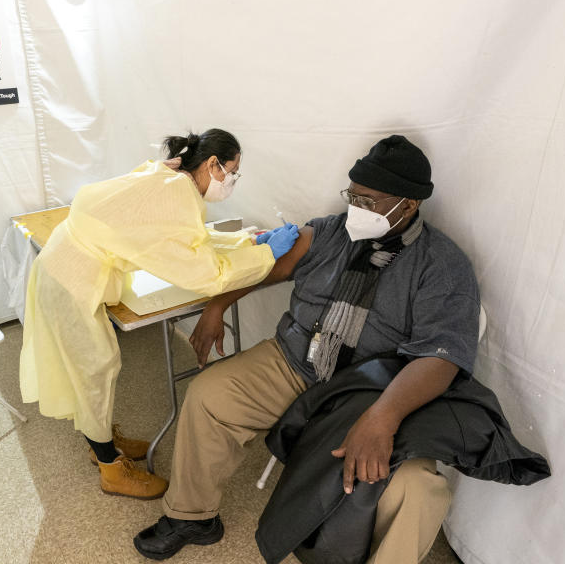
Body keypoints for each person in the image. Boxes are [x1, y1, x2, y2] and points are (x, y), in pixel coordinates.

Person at [135, 134, 481, 561]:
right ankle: (191, 517)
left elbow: (440, 357)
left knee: (419, 488)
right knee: (210, 395)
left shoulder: (442, 266)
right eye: (353, 196)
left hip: (370, 390)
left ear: (407, 205)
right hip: (295, 362)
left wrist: (382, 417)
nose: (356, 208)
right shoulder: (332, 231)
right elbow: (269, 269)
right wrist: (216, 306)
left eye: (369, 202)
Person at [19, 128, 301, 500]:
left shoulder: (169, 178)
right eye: (232, 172)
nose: (232, 181)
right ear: (213, 165)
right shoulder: (177, 197)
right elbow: (208, 274)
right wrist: (266, 255)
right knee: (94, 369)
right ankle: (109, 468)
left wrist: (246, 241)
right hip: (70, 279)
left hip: (65, 263)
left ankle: (100, 439)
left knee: (90, 369)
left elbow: (191, 240)